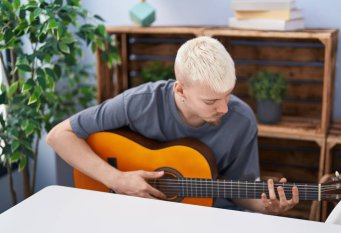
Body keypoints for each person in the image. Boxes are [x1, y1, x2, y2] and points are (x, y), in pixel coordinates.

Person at [47, 36, 299, 214]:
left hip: (210, 219)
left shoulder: (242, 119)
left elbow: (239, 190)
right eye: (211, 100)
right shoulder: (139, 102)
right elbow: (59, 135)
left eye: (228, 94)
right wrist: (116, 179)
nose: (224, 108)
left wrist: (267, 205)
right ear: (180, 89)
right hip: (138, 216)